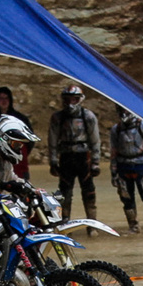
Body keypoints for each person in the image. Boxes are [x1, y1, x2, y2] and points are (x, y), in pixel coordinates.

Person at [47, 85, 101, 221]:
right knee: (64, 192)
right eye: (67, 100)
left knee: (89, 191)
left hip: (84, 157)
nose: (71, 103)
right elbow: (52, 140)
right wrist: (53, 161)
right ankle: (65, 222)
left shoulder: (88, 116)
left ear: (80, 100)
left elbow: (95, 140)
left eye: (74, 99)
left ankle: (92, 223)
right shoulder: (57, 118)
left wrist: (95, 162)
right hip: (65, 157)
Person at [110, 106, 143, 234]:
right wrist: (113, 172)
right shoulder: (116, 129)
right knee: (126, 197)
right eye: (121, 110)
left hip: (141, 166)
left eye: (126, 110)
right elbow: (113, 152)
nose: (123, 113)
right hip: (123, 166)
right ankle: (133, 225)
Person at [0, 114, 39, 193]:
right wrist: (2, 185)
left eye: (20, 145)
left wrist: (32, 190)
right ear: (4, 139)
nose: (19, 148)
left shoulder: (5, 159)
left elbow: (11, 178)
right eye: (16, 144)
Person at [0, 88, 32, 178]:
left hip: (18, 164)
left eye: (6, 98)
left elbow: (29, 141)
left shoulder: (21, 119)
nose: (4, 101)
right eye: (1, 98)